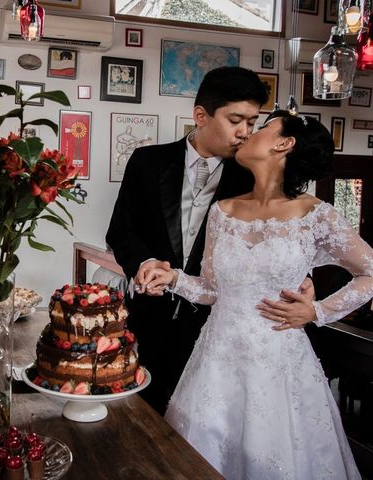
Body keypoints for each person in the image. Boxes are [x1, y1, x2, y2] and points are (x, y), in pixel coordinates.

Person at [141, 108, 366, 479]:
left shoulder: (316, 214)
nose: (247, 134)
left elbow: (370, 273)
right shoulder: (222, 211)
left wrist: (318, 312)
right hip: (215, 362)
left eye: (262, 128)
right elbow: (213, 290)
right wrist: (173, 278)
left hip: (279, 364)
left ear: (284, 143)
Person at [106, 66, 315, 414]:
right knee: (138, 419)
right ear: (201, 115)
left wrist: (307, 283)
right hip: (147, 318)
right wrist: (144, 263)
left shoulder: (253, 175)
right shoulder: (147, 161)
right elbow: (120, 231)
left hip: (214, 330)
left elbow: (289, 234)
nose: (245, 133)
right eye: (236, 120)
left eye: (252, 122)